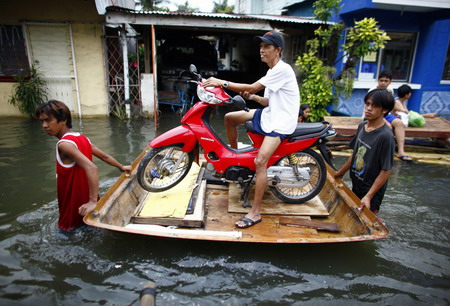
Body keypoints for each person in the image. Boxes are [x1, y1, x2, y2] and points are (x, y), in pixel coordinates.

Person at [202, 31, 300, 229]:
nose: (262, 50)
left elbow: (253, 87)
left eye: (266, 47)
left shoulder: (283, 69)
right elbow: (267, 100)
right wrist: (253, 98)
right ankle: (235, 159)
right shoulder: (272, 71)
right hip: (271, 113)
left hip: (281, 122)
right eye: (261, 46)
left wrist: (222, 82)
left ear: (278, 50)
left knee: (260, 161)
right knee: (230, 119)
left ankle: (255, 212)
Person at [35, 100, 131, 231]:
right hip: (86, 206)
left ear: (63, 120)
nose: (44, 125)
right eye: (41, 121)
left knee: (67, 232)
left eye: (47, 120)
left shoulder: (64, 145)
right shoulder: (82, 138)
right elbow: (105, 157)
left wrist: (92, 201)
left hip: (75, 206)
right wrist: (121, 167)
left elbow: (91, 167)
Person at [334, 89, 395, 214]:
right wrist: (340, 173)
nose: (368, 108)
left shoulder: (386, 136)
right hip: (357, 181)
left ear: (384, 110)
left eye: (374, 105)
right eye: (367, 104)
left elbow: (386, 170)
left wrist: (369, 196)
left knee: (368, 218)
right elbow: (355, 154)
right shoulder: (362, 127)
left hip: (371, 189)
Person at [368, 72, 411, 161]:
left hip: (385, 114)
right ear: (378, 81)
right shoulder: (372, 91)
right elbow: (370, 108)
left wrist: (394, 113)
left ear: (390, 82)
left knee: (399, 123)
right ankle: (382, 151)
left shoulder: (390, 90)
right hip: (372, 114)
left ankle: (401, 151)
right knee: (387, 126)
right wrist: (384, 120)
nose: (383, 83)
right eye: (381, 80)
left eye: (386, 81)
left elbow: (389, 105)